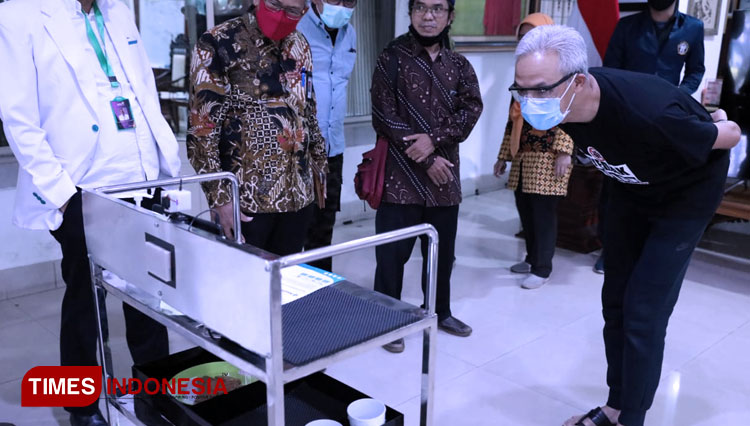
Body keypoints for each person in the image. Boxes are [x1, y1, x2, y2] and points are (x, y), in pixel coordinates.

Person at [512, 25, 740, 426]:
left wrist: (711, 117)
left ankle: (630, 418)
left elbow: (731, 135)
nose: (530, 102)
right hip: (630, 188)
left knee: (643, 311)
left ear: (578, 81)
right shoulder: (560, 109)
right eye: (521, 90)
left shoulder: (649, 113)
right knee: (615, 303)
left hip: (684, 198)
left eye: (540, 90)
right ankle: (616, 406)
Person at [0, 0, 183, 424]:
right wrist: (64, 195)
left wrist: (161, 169)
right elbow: (18, 117)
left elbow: (142, 92)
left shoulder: (117, 11)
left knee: (148, 299)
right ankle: (81, 408)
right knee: (85, 303)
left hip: (141, 181)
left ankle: (154, 395)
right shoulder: (20, 14)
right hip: (83, 188)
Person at [370, 0, 483, 353]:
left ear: (450, 16)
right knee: (392, 254)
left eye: (437, 9)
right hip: (399, 178)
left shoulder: (459, 65)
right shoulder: (391, 58)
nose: (428, 16)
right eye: (421, 8)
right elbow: (382, 115)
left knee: (441, 253)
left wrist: (433, 142)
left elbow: (471, 110)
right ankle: (386, 319)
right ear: (411, 13)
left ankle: (440, 310)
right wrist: (426, 156)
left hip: (443, 179)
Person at [188, 0, 328, 256]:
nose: (281, 16)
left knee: (287, 289)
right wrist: (220, 199)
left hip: (298, 197)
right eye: (275, 5)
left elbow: (308, 110)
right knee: (242, 289)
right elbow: (202, 131)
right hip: (246, 204)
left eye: (292, 11)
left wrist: (320, 170)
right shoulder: (218, 42)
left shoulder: (301, 46)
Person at [596, 0, 707, 273]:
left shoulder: (693, 28)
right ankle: (608, 249)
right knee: (617, 183)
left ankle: (644, 246)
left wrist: (678, 96)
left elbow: (696, 70)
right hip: (625, 115)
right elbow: (610, 67)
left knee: (655, 180)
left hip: (665, 120)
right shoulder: (627, 26)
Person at [494, 13, 573, 290]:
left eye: (533, 36)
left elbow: (571, 116)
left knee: (543, 215)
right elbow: (511, 120)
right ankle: (531, 258)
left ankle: (543, 267)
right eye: (522, 36)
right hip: (523, 156)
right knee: (526, 211)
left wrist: (565, 151)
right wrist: (503, 156)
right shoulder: (521, 78)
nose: (525, 41)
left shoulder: (562, 73)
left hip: (548, 158)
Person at [298, 0, 357, 271]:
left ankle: (321, 295)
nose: (342, 7)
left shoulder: (351, 33)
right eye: (336, 0)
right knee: (293, 227)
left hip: (333, 148)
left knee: (324, 227)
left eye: (349, 1)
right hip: (297, 150)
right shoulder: (295, 26)